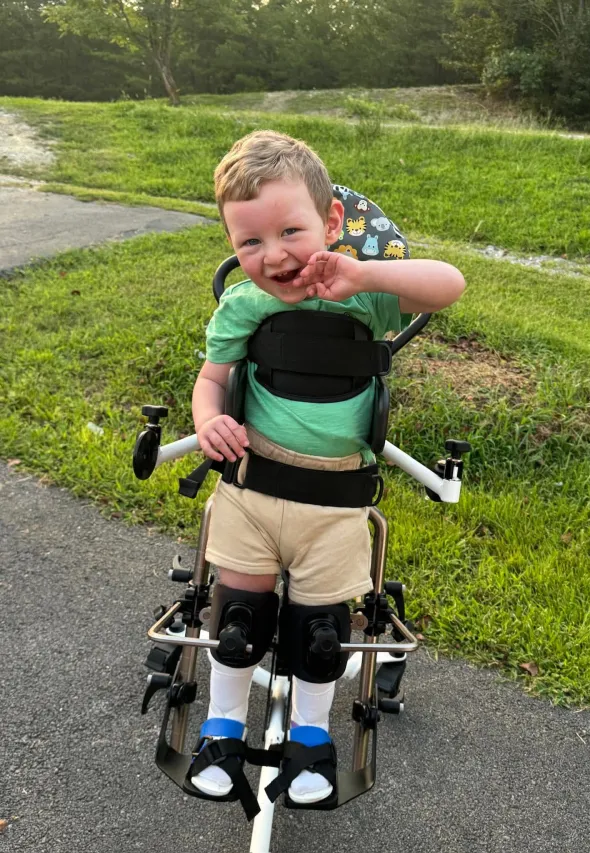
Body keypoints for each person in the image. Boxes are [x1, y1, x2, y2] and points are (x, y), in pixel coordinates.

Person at [190, 130, 465, 806]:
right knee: (238, 619)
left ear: (332, 223)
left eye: (291, 231)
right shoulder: (242, 305)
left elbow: (448, 286)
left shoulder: (363, 297)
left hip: (337, 500)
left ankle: (311, 742)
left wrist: (364, 273)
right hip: (254, 488)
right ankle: (221, 730)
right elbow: (212, 379)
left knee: (321, 635)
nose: (273, 254)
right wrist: (209, 419)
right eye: (250, 242)